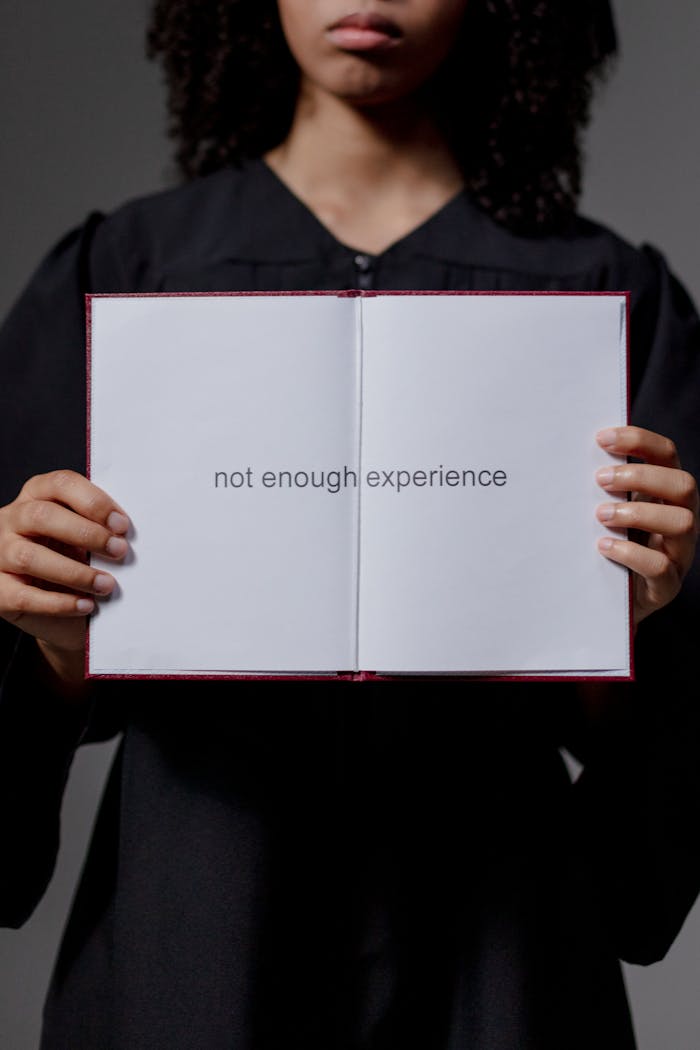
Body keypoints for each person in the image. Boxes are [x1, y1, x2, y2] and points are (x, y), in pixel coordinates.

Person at [0, 1, 699, 1047]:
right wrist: (52, 646)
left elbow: (653, 822)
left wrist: (631, 624)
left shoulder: (606, 294)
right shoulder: (127, 270)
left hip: (498, 955)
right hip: (191, 935)